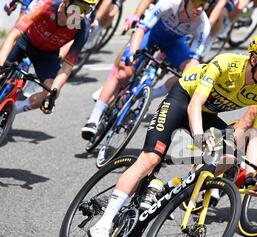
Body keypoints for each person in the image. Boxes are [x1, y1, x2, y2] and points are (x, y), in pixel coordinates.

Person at [87, 32, 257, 237]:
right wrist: (200, 137)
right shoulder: (226, 63)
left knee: (230, 157)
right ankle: (104, 221)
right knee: (150, 159)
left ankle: (169, 189)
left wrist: (251, 172)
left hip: (208, 114)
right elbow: (195, 103)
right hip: (183, 100)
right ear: (254, 60)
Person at [81, 0, 211, 140]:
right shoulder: (169, 4)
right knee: (124, 72)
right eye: (197, 2)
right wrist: (132, 54)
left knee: (191, 75)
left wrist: (186, 78)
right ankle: (94, 119)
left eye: (204, 5)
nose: (199, 8)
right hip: (152, 34)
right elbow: (142, 29)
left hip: (173, 44)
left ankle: (153, 94)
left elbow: (194, 60)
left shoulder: (203, 25)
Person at [0, 0, 95, 114]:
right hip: (25, 41)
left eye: (87, 10)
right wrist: (1, 64)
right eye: (79, 7)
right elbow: (14, 34)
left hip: (46, 55)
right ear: (66, 2)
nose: (81, 15)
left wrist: (53, 93)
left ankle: (12, 112)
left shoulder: (83, 28)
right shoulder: (47, 5)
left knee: (50, 93)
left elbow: (68, 65)